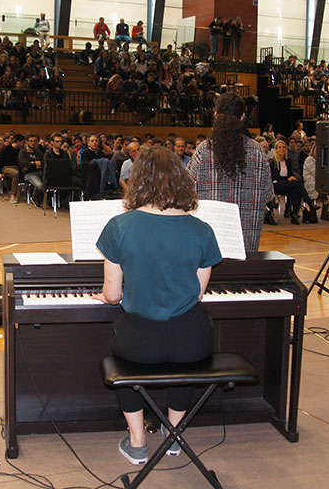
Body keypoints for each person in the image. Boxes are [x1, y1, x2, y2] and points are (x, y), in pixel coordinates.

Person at [94, 146, 222, 466]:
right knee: (183, 364)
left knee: (127, 364)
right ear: (181, 181)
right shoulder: (202, 230)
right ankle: (173, 436)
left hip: (140, 341)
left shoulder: (119, 226)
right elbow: (197, 294)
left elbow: (112, 295)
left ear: (138, 181)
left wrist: (110, 295)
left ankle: (137, 443)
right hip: (191, 339)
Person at [187, 91, 273, 252]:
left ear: (215, 115)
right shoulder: (258, 151)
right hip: (246, 243)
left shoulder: (204, 150)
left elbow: (187, 190)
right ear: (242, 117)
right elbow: (267, 194)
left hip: (210, 241)